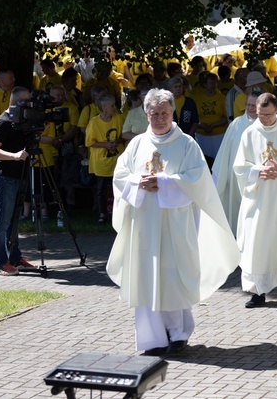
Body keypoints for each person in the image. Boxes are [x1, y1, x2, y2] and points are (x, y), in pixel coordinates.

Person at [106, 88, 240, 355]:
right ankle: (151, 338)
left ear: (172, 112)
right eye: (154, 114)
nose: (159, 118)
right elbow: (121, 176)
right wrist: (139, 182)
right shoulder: (137, 144)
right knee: (145, 278)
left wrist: (165, 182)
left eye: (164, 113)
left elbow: (199, 180)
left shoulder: (187, 145)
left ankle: (178, 334)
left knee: (172, 275)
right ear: (146, 114)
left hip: (176, 224)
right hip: (144, 224)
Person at [234, 93, 277, 308]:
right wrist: (257, 171)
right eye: (259, 114)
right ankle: (258, 291)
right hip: (260, 199)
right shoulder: (249, 132)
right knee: (258, 243)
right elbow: (240, 166)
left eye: (267, 114)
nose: (262, 118)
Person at [0, 86, 36, 276]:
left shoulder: (20, 121)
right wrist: (14, 156)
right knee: (2, 223)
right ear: (19, 103)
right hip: (6, 178)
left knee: (14, 222)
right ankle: (1, 263)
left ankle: (15, 258)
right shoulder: (4, 122)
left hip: (20, 177)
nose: (31, 105)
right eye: (28, 101)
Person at [211, 92, 259, 236]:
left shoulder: (268, 126)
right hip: (237, 179)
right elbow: (225, 153)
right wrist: (218, 178)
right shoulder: (236, 124)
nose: (250, 108)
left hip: (259, 179)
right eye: (248, 105)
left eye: (254, 105)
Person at [85, 95, 125, 223]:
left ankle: (119, 213)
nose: (115, 108)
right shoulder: (94, 122)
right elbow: (90, 142)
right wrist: (106, 145)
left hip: (117, 160)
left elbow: (123, 135)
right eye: (112, 105)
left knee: (118, 187)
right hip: (101, 161)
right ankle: (102, 214)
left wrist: (117, 142)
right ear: (103, 108)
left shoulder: (119, 118)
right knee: (101, 188)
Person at [193, 73, 228, 163]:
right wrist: (202, 125)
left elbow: (226, 117)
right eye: (211, 82)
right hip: (201, 135)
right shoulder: (197, 99)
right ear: (205, 84)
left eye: (215, 82)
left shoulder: (222, 98)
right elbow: (194, 118)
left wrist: (213, 125)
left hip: (218, 134)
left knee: (218, 161)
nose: (214, 85)